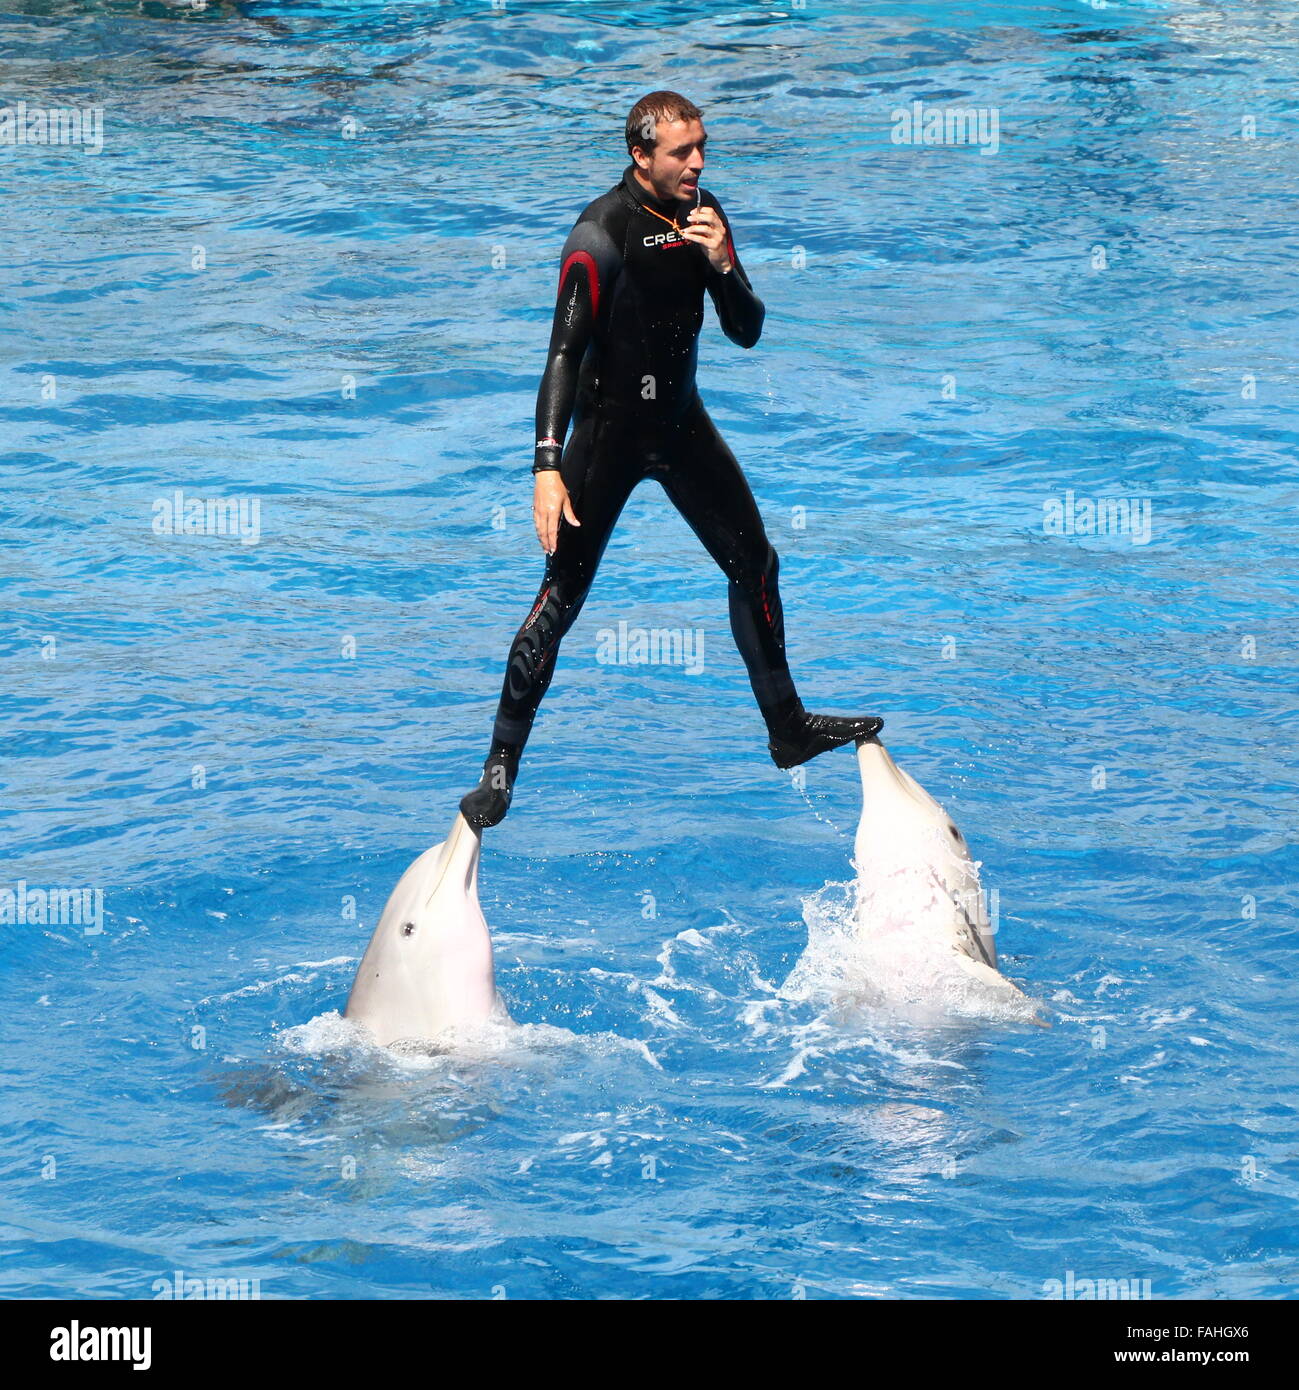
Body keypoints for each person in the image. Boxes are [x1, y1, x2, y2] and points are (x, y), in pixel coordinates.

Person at [460, 90, 882, 830]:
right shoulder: (598, 234)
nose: (697, 163)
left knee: (756, 564)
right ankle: (500, 766)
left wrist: (720, 263)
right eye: (681, 152)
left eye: (701, 148)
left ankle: (787, 729)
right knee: (560, 596)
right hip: (608, 437)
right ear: (640, 155)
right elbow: (560, 355)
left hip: (681, 426)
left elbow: (746, 330)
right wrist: (546, 467)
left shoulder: (704, 214)